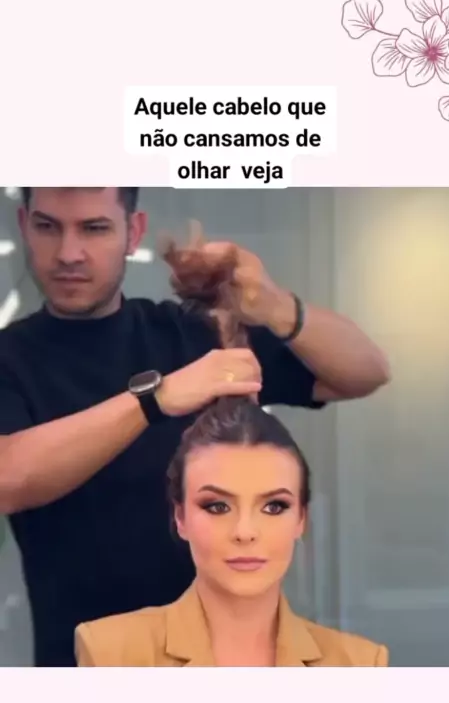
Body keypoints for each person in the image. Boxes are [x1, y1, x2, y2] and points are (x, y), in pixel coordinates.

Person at [0, 187, 390, 667]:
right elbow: (8, 476)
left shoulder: (191, 336)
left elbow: (365, 371)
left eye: (94, 228)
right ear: (24, 226)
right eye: (48, 227)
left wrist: (275, 306)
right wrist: (156, 399)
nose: (69, 252)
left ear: (133, 232)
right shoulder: (9, 359)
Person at [75, 396, 388, 667]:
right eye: (217, 507)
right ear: (180, 517)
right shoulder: (111, 652)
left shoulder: (360, 663)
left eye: (274, 507)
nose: (245, 532)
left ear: (301, 519)